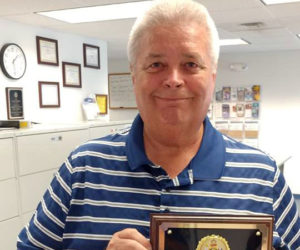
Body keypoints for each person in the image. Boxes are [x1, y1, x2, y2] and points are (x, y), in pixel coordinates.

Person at [17, 0, 300, 249]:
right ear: (133, 77)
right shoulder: (83, 168)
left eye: (190, 64)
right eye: (155, 65)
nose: (173, 79)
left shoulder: (263, 178)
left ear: (212, 77)